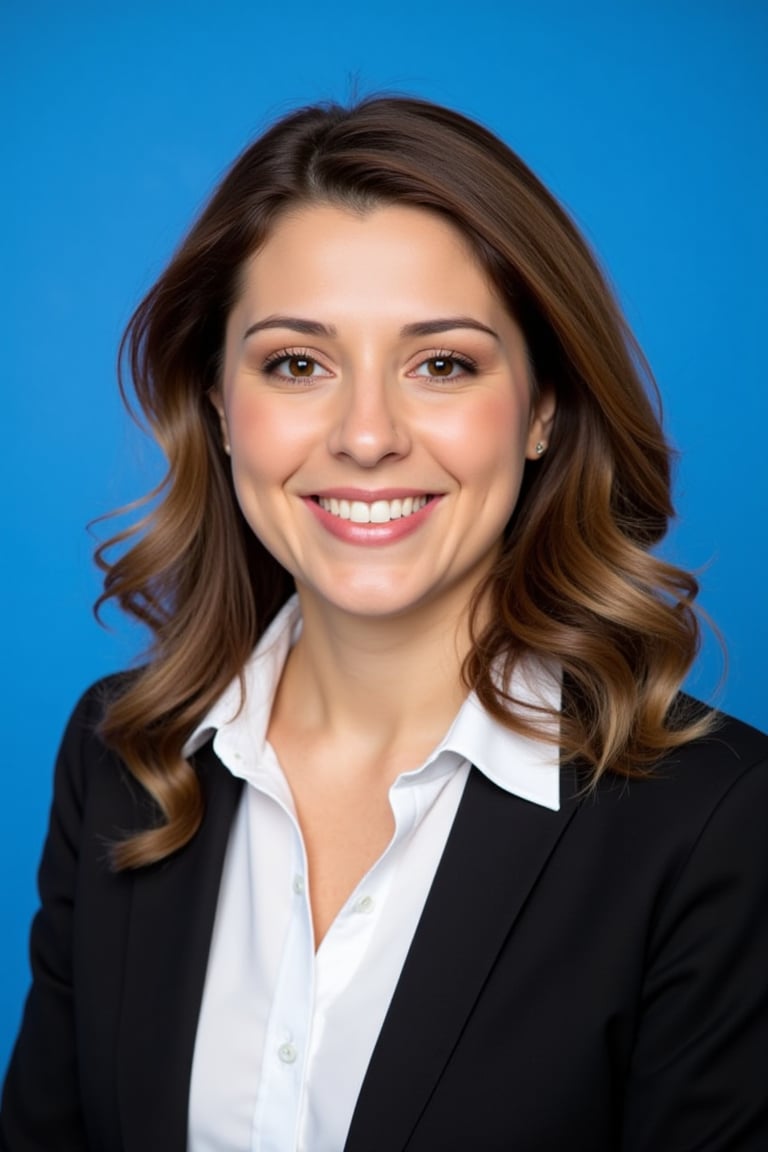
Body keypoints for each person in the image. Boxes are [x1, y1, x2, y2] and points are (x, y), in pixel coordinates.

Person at [1, 96, 766, 1152]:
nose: (366, 437)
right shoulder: (122, 755)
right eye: (297, 364)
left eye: (442, 363)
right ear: (219, 402)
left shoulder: (718, 826)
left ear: (544, 406)